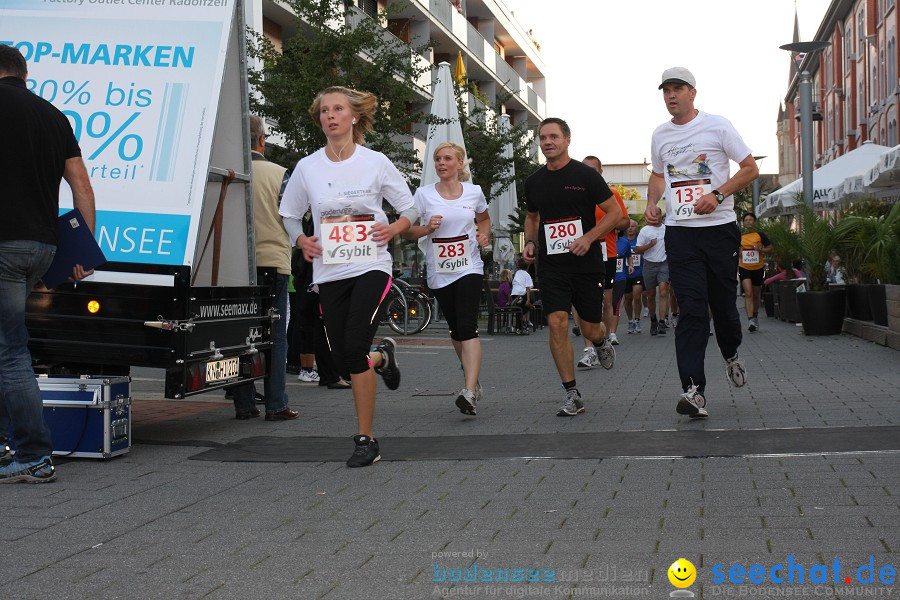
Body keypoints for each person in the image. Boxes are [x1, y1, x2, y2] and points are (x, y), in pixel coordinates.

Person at [280, 86, 417, 467]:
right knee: (341, 362)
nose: (331, 115)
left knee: (352, 348)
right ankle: (382, 357)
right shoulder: (308, 167)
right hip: (330, 269)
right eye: (324, 110)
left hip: (371, 264)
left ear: (354, 116)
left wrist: (393, 228)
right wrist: (301, 239)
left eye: (338, 109)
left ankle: (366, 439)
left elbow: (409, 208)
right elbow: (289, 213)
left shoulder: (375, 162)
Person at [0, 45, 96, 483]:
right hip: (41, 248)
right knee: (8, 347)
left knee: (10, 351)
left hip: (3, 245)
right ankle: (10, 447)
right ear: (24, 73)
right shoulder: (54, 116)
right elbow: (82, 187)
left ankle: (34, 454)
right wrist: (83, 251)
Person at [646, 67, 758, 419]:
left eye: (678, 89)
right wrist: (652, 202)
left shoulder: (718, 125)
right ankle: (694, 390)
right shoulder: (660, 135)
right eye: (666, 90)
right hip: (681, 233)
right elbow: (658, 174)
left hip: (719, 228)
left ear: (693, 93)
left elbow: (750, 168)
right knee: (692, 309)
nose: (671, 96)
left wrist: (718, 193)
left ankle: (731, 353)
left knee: (723, 306)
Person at [523, 117, 623, 417]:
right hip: (552, 266)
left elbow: (615, 213)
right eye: (542, 138)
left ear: (567, 140)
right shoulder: (534, 181)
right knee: (556, 322)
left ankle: (601, 340)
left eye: (553, 136)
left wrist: (589, 238)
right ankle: (572, 393)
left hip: (586, 264)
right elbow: (532, 217)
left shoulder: (585, 176)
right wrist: (529, 242)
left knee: (590, 328)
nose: (547, 142)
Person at [403, 142, 490, 416]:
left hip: (469, 267)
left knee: (468, 326)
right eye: (438, 159)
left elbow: (485, 219)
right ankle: (473, 381)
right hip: (439, 271)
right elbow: (407, 232)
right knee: (455, 330)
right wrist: (426, 228)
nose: (441, 163)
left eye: (447, 158)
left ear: (459, 164)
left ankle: (468, 390)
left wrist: (484, 234)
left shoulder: (474, 192)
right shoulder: (424, 195)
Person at [229, 116, 299, 422]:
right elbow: (293, 217)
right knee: (275, 335)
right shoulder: (280, 174)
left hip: (233, 266)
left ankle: (244, 403)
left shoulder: (227, 173)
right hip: (273, 262)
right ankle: (276, 404)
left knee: (240, 334)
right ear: (262, 140)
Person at [573, 156, 629, 364]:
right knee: (583, 300)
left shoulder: (611, 194)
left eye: (592, 170)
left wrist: (609, 224)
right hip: (581, 251)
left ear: (600, 172)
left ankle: (601, 342)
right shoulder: (574, 195)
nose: (587, 174)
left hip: (607, 252)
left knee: (606, 300)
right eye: (584, 170)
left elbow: (625, 221)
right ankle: (588, 349)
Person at [739, 212, 773, 332]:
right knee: (748, 293)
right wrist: (739, 252)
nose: (748, 222)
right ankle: (750, 320)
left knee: (755, 294)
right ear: (743, 222)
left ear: (754, 222)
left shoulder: (760, 234)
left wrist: (760, 249)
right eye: (746, 220)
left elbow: (770, 248)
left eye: (750, 220)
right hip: (744, 267)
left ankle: (755, 314)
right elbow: (734, 249)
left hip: (758, 268)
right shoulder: (739, 235)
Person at [634, 221, 669, 336]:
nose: (656, 217)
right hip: (649, 264)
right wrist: (649, 245)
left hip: (664, 263)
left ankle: (662, 322)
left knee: (664, 291)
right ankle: (653, 320)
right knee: (651, 295)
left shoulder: (667, 229)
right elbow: (637, 250)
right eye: (653, 215)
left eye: (658, 214)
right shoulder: (645, 230)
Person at [623, 220, 644, 334]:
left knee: (637, 296)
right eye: (629, 226)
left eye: (633, 226)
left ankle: (637, 319)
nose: (630, 229)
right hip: (625, 274)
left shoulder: (640, 240)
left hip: (638, 273)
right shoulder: (622, 241)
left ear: (636, 228)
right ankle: (630, 320)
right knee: (627, 299)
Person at [510, 258, 535, 332]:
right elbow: (528, 288)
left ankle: (519, 324)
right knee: (530, 303)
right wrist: (528, 299)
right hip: (522, 294)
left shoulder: (517, 273)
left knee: (519, 307)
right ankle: (522, 320)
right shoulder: (527, 275)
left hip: (514, 294)